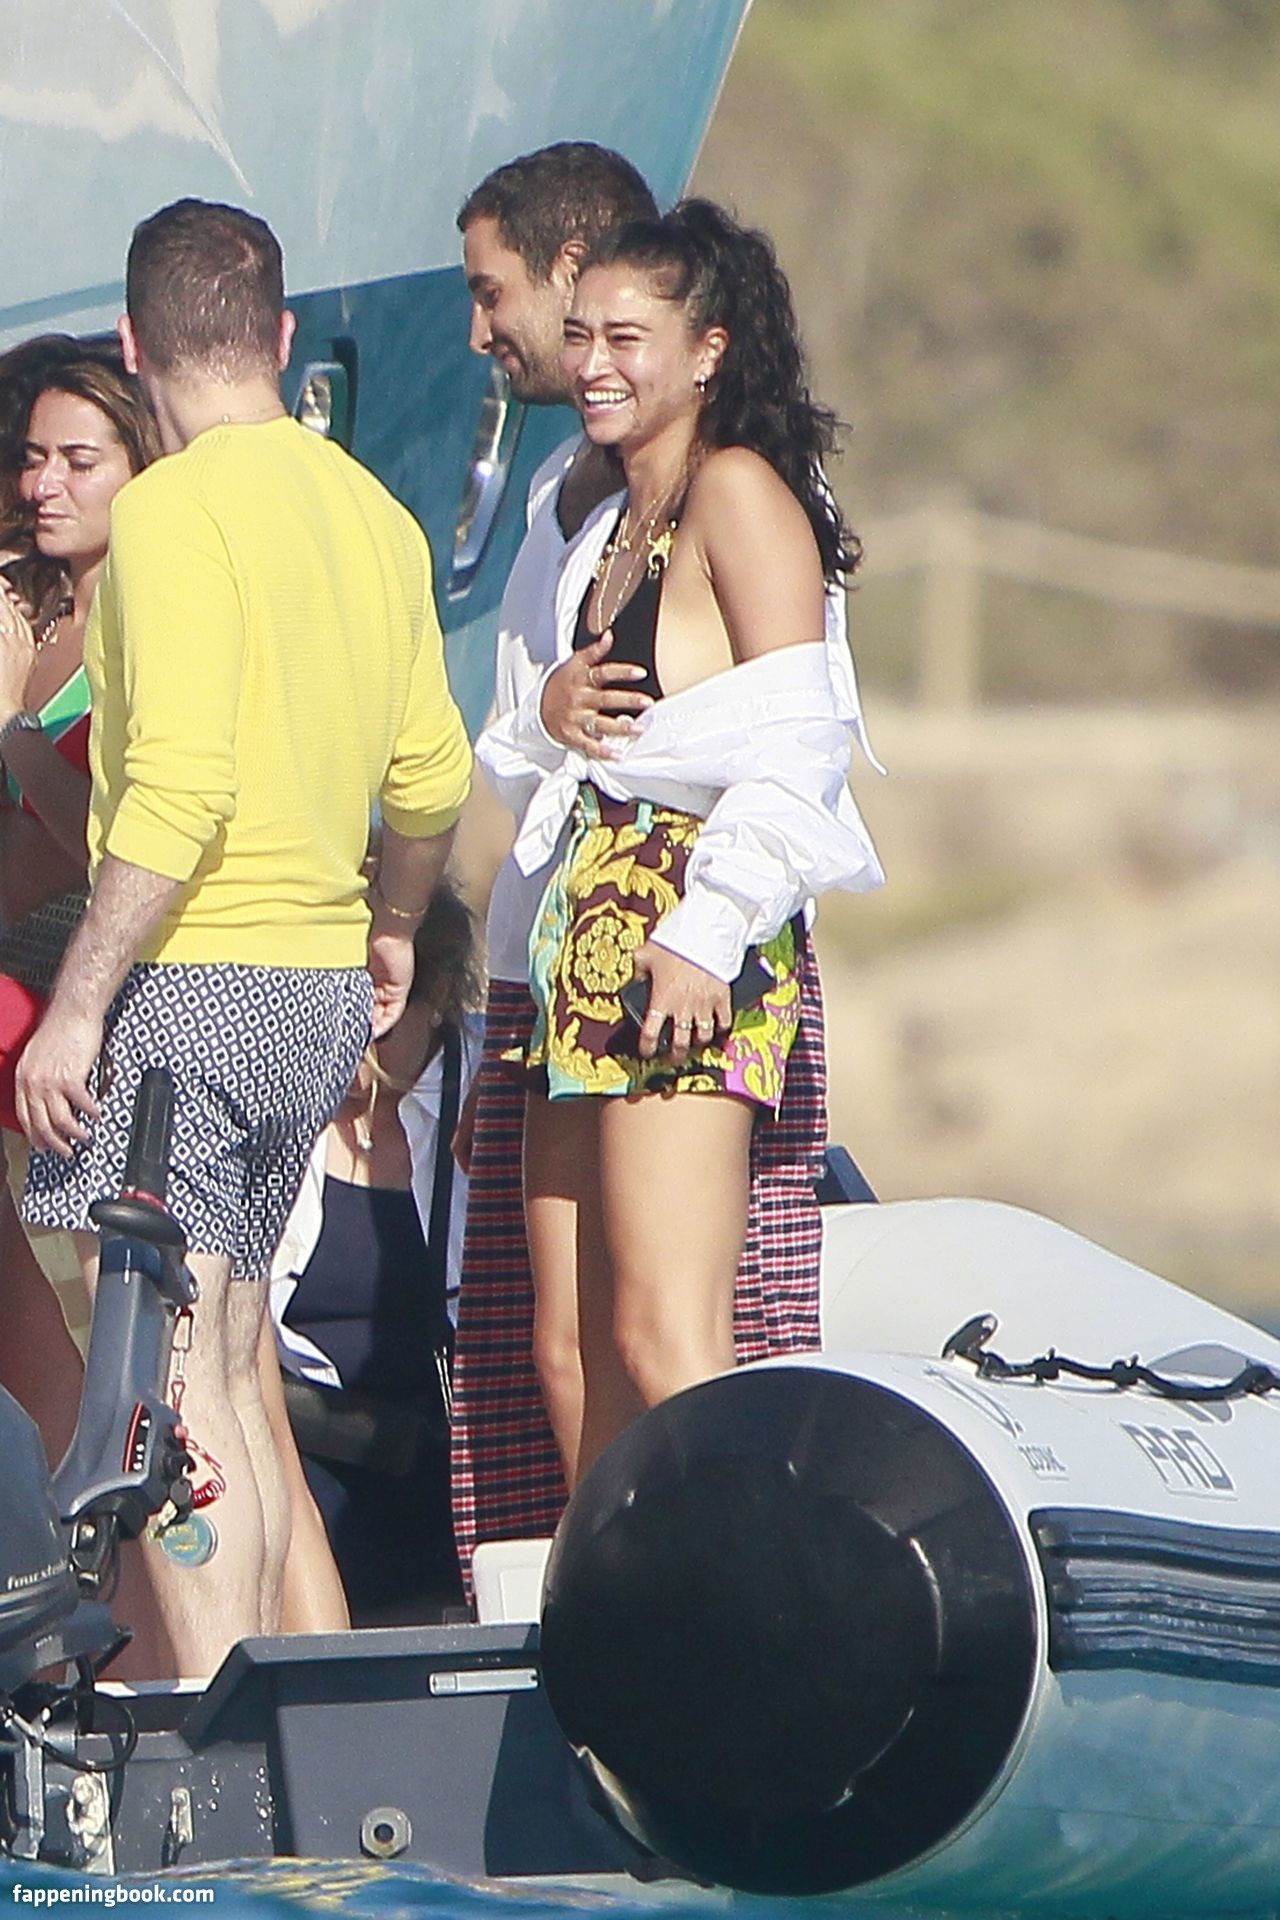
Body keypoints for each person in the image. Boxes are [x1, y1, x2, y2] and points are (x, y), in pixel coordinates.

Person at [16, 198, 472, 1678]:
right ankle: (283, 1709)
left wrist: (79, 1005)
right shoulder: (371, 512)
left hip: (193, 989)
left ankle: (217, 1717)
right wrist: (391, 926)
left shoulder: (171, 512)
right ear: (278, 336)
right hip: (315, 995)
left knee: (159, 1386)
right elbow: (431, 776)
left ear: (135, 344)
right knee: (225, 1358)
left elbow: (179, 788)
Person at [451, 150, 879, 1561]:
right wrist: (548, 712)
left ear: (706, 352)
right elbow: (560, 739)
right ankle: (615, 1608)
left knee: (664, 1331)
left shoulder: (738, 490)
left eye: (626, 339)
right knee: (566, 1346)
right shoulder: (604, 516)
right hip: (580, 935)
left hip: (685, 930)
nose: (592, 364)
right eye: (580, 335)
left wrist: (705, 931)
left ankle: (753, 1606)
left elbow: (804, 743)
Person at [0, 348, 161, 1464]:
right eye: (32, 459)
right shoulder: (44, 618)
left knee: (104, 1362)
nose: (41, 484)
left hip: (78, 1019)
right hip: (25, 1013)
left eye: (76, 461)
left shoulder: (135, 636)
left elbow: (110, 844)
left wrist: (16, 728)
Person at [270, 878, 483, 1624]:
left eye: (376, 1026)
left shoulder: (493, 1092)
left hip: (463, 1469)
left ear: (440, 995)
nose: (349, 1059)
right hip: (315, 1466)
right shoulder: (280, 1097)